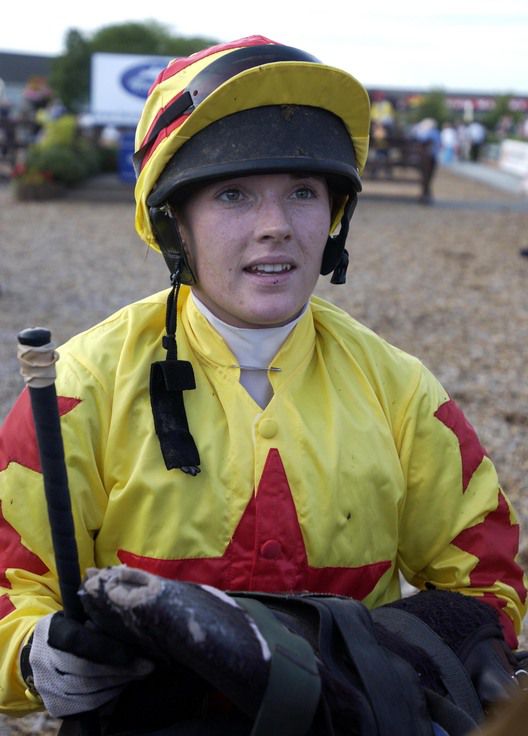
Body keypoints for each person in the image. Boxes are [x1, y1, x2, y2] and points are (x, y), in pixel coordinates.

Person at [0, 35, 526, 735]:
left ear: (334, 214)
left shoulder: (404, 392)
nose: (276, 227)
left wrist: (444, 653)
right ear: (174, 223)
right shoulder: (75, 390)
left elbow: (483, 582)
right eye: (234, 194)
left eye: (303, 192)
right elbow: (12, 594)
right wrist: (36, 656)